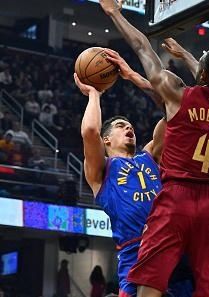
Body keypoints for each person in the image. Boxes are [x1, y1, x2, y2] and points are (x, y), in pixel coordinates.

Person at [99, 1, 209, 296]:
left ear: (200, 74)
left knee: (151, 277)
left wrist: (114, 13)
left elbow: (142, 47)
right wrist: (192, 58)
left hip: (176, 196)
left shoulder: (178, 95)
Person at [74, 57, 192, 297]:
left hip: (172, 247)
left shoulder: (149, 156)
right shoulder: (102, 169)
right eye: (120, 126)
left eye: (130, 126)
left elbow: (174, 110)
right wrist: (94, 94)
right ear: (106, 140)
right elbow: (89, 131)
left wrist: (134, 77)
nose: (129, 128)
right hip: (135, 253)